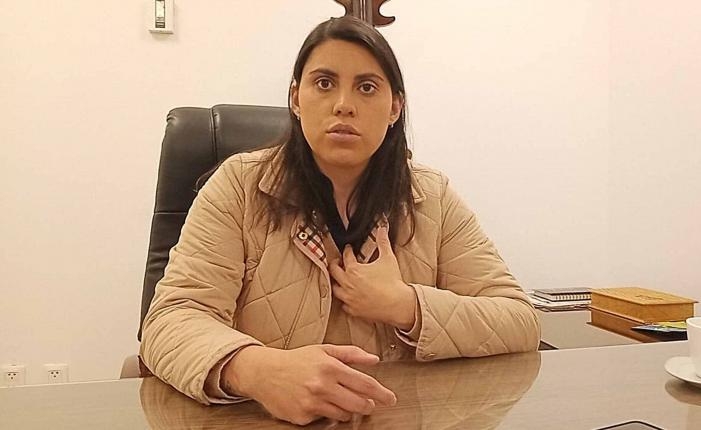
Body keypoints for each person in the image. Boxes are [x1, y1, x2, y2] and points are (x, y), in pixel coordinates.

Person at [139, 16, 540, 426]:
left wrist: (405, 305)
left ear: (395, 108)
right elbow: (169, 321)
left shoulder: (431, 196)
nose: (343, 104)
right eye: (324, 83)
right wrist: (258, 370)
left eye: (366, 87)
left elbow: (519, 320)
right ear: (296, 98)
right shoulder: (239, 187)